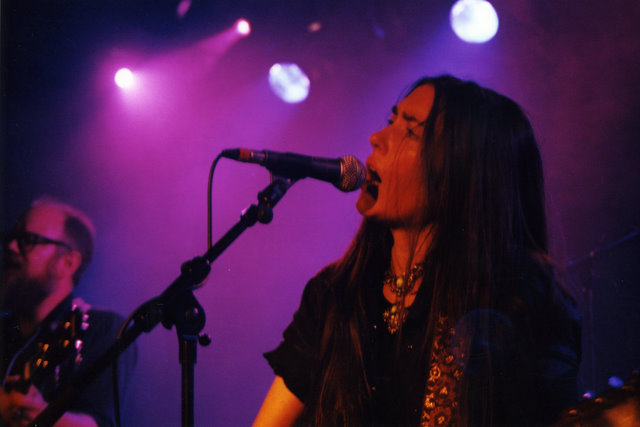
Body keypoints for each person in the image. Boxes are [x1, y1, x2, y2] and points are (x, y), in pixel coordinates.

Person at [253, 75, 582, 426]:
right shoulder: (334, 295)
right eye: (391, 121)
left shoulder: (518, 294)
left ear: (463, 171)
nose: (376, 139)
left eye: (410, 131)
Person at [1, 197, 136, 427]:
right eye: (12, 238)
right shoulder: (6, 329)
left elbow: (99, 423)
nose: (12, 247)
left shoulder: (101, 329)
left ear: (68, 263)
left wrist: (41, 416)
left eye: (28, 240)